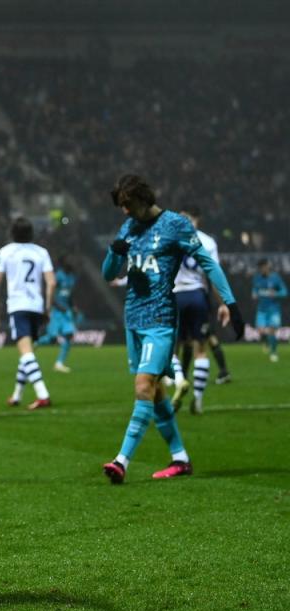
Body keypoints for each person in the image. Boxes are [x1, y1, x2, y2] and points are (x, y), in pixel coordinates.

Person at [101, 175, 244, 484]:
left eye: (127, 205)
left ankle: (121, 461)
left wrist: (230, 304)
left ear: (142, 199)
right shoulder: (129, 227)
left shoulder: (175, 225)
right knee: (157, 393)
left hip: (161, 318)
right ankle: (180, 458)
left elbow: (208, 263)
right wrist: (115, 252)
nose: (123, 212)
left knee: (143, 386)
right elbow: (108, 274)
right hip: (133, 319)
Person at [168, 205, 230, 414]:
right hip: (197, 295)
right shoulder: (208, 241)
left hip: (175, 295)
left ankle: (178, 381)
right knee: (200, 350)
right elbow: (213, 274)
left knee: (171, 349)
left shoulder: (170, 237)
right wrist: (222, 304)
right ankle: (198, 400)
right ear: (198, 219)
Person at [0, 217, 54, 410]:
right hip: (37, 306)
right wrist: (47, 309)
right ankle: (17, 395)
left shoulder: (6, 252)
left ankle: (43, 394)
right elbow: (51, 283)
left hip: (18, 306)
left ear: (12, 233)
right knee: (27, 352)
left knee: (25, 353)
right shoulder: (42, 252)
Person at [37, 255, 78, 373]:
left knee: (69, 336)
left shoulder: (72, 277)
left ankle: (59, 363)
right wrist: (57, 306)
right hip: (57, 312)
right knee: (51, 339)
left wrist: (73, 306)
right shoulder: (58, 276)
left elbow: (69, 295)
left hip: (66, 313)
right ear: (64, 263)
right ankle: (34, 343)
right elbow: (51, 294)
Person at [252, 258, 287, 362]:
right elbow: (255, 289)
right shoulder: (257, 278)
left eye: (263, 266)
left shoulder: (275, 278)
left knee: (272, 330)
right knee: (261, 331)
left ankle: (274, 352)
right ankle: (267, 341)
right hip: (261, 309)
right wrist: (254, 293)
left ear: (268, 266)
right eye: (260, 267)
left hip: (273, 310)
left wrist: (276, 293)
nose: (261, 269)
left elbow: (284, 292)